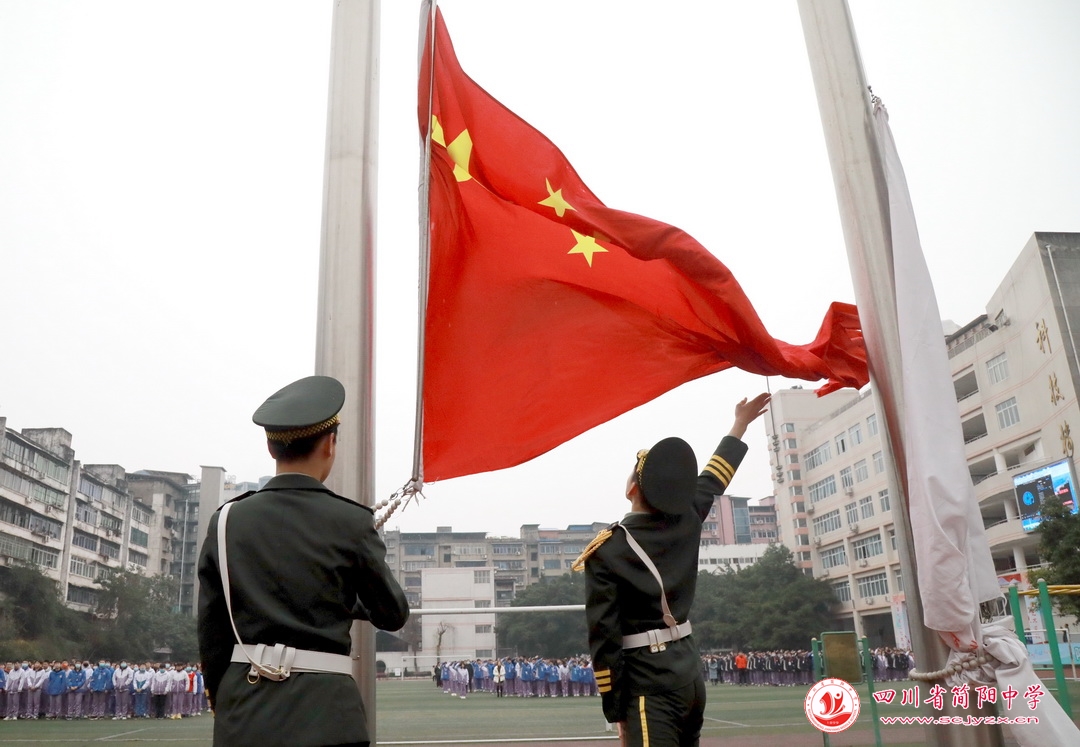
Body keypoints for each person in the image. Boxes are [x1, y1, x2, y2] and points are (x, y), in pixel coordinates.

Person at [198, 375, 409, 747]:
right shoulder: (351, 521)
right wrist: (346, 602)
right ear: (330, 444)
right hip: (327, 714)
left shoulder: (227, 520)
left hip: (245, 710)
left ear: (270, 447)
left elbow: (213, 629)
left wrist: (224, 697)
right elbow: (392, 613)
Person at [575, 393, 770, 747]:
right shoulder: (687, 517)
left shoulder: (608, 549)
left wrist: (616, 710)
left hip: (649, 686)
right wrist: (739, 424)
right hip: (689, 676)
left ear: (633, 488)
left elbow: (604, 639)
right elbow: (714, 476)